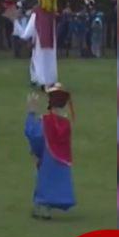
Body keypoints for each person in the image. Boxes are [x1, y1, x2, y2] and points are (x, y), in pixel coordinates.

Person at [24, 84, 75, 220]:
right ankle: (49, 206)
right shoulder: (66, 124)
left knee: (43, 180)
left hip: (47, 158)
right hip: (61, 159)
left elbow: (34, 135)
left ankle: (42, 209)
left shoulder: (45, 121)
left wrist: (31, 113)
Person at [19, 0, 60, 87]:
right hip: (51, 40)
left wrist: (20, 29)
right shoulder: (52, 12)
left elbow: (29, 30)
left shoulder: (37, 11)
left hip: (39, 41)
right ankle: (50, 80)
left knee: (39, 59)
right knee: (50, 59)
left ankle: (42, 81)